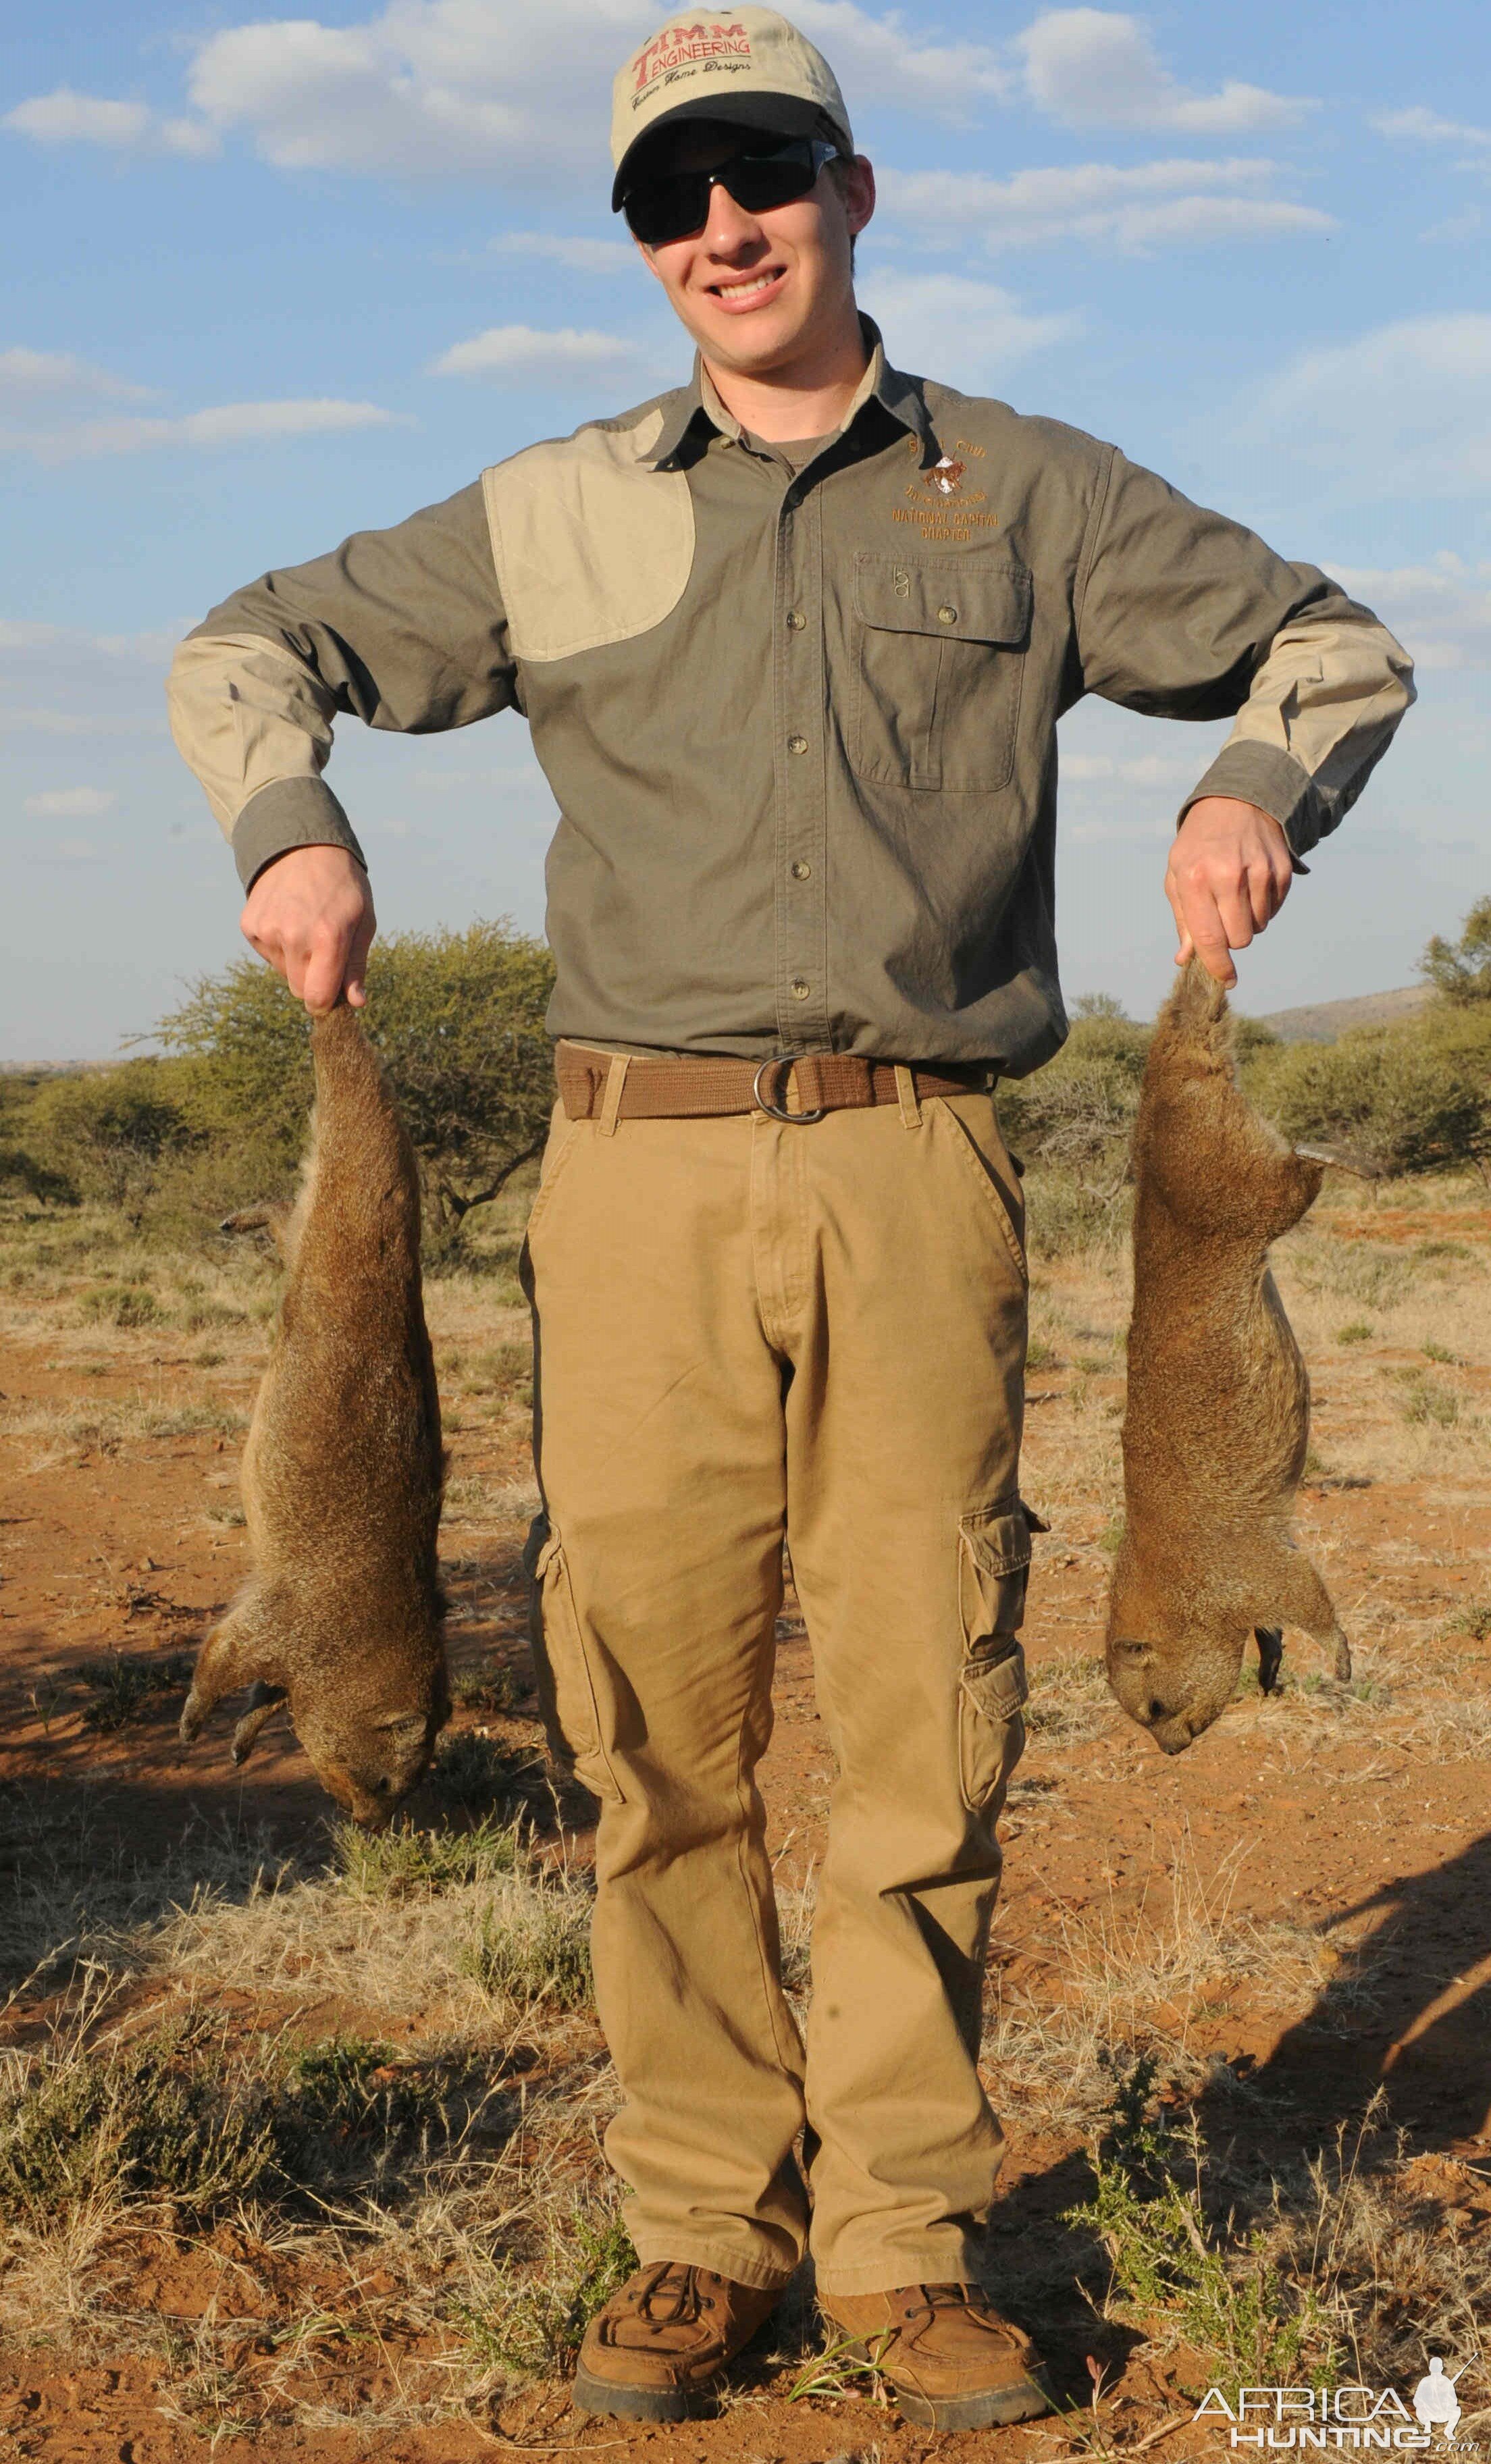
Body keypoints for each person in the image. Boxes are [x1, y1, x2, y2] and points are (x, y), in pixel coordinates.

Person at [166, 5, 1413, 2432]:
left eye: (761, 174)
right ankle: (696, 2228)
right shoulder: (547, 513)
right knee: (650, 1721)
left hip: (917, 1165)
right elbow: (246, 649)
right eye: (668, 197)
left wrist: (1259, 788)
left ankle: (910, 2241)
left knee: (929, 1705)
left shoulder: (1028, 491)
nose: (718, 228)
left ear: (855, 189)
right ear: (638, 243)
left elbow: (1336, 642)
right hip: (624, 1178)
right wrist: (288, 823)